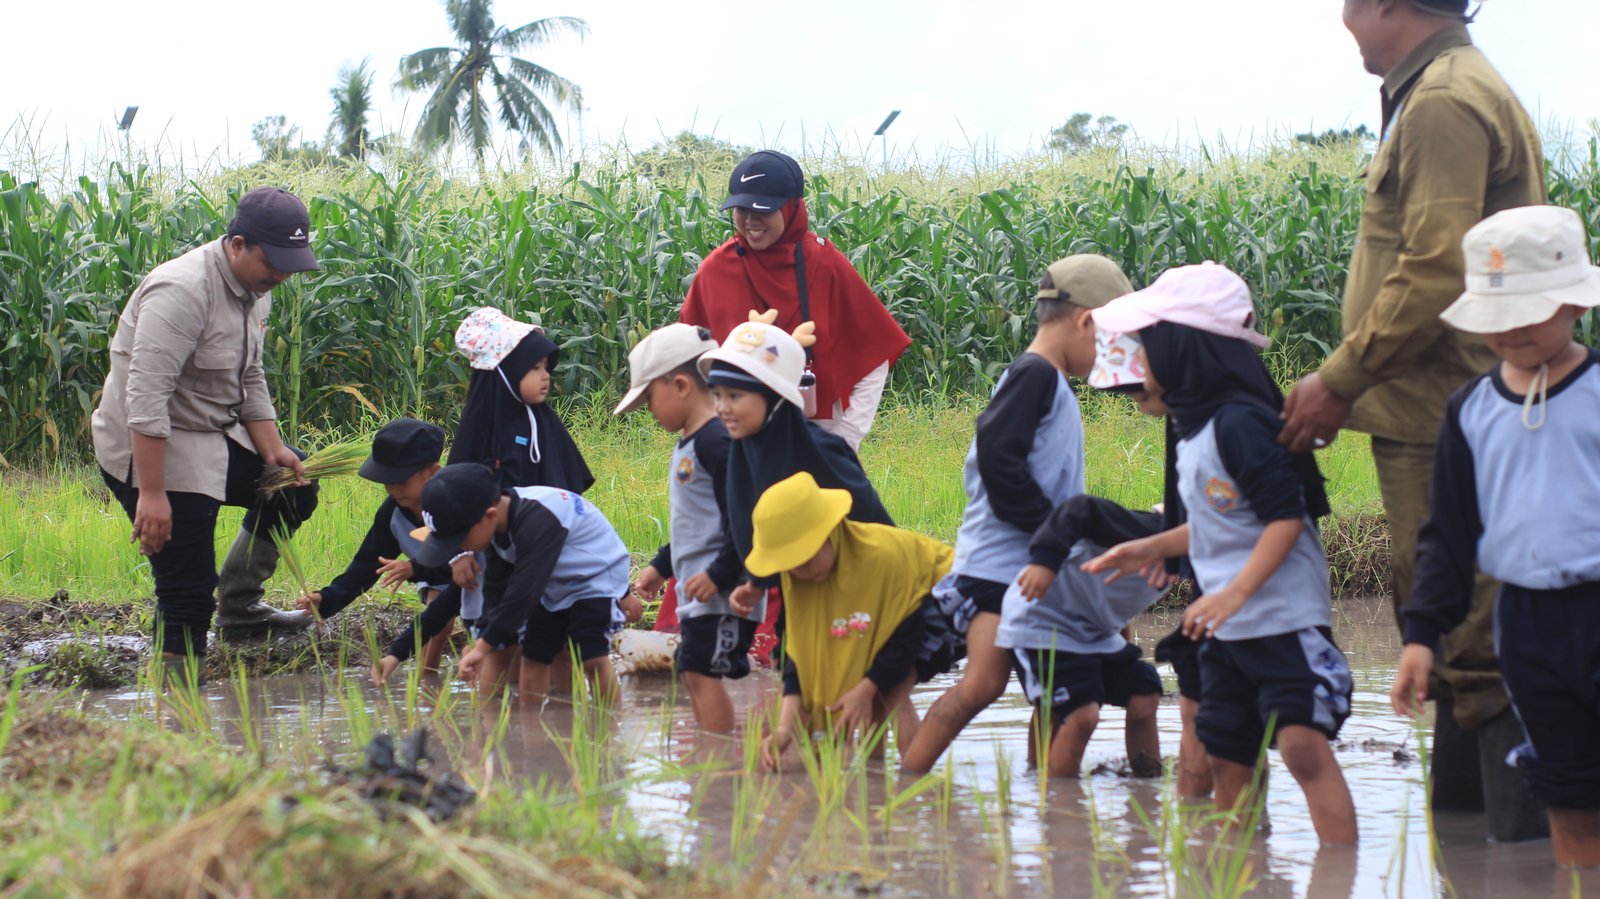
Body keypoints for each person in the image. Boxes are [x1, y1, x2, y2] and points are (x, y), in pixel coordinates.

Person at [1279, 0, 1544, 827]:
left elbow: (1436, 268)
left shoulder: (1442, 103)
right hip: (1436, 406)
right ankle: (1475, 847)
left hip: (1444, 411)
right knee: (1459, 625)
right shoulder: (1442, 88)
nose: (1343, 18)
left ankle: (1508, 846)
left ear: (1389, 5)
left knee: (1468, 634)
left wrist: (1337, 379)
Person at [1085, 264, 1356, 845]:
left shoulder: (1241, 424)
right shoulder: (1195, 431)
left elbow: (1286, 519)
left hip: (1282, 623)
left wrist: (1234, 591)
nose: (1136, 366)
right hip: (1226, 634)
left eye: (1145, 349)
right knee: (1229, 755)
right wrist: (1152, 546)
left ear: (1183, 350)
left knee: (1303, 747)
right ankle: (1241, 872)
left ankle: (1339, 873)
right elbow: (1217, 523)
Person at [1391, 206, 1600, 867]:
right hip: (1527, 624)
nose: (1510, 329)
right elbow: (1448, 533)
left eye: (1528, 311)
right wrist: (1422, 635)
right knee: (1564, 782)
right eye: (1497, 316)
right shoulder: (1471, 411)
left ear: (1573, 301)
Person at [900, 254, 1133, 774]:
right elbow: (1000, 465)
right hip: (1008, 568)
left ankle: (1035, 790)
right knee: (995, 688)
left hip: (1008, 564)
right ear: (1086, 320)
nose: (1110, 353)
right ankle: (916, 779)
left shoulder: (1042, 379)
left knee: (998, 687)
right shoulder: (1036, 377)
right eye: (1110, 337)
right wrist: (1058, 538)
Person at [92, 186, 321, 666]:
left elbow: (250, 375)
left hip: (213, 431)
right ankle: (176, 718)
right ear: (237, 245)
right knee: (187, 593)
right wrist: (152, 496)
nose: (281, 275)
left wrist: (273, 449)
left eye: (290, 263)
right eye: (273, 262)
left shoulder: (256, 289)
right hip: (155, 446)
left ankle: (239, 609)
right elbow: (146, 401)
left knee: (291, 487)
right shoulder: (181, 291)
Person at [680, 150, 910, 452]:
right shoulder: (715, 270)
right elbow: (687, 361)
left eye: (762, 210)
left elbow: (875, 355)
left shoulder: (824, 263)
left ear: (791, 208)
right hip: (736, 443)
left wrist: (845, 439)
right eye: (741, 209)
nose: (750, 221)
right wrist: (710, 434)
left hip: (817, 437)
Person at [615, 323, 768, 732]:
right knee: (691, 670)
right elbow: (700, 520)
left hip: (725, 591)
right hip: (701, 589)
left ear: (681, 385)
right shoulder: (694, 440)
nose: (650, 410)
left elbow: (747, 515)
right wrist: (662, 564)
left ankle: (718, 768)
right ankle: (711, 761)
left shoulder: (716, 442)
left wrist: (720, 574)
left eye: (649, 399)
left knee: (699, 671)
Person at [748, 473, 957, 771]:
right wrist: (784, 730)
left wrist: (866, 688)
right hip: (893, 621)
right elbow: (796, 659)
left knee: (891, 688)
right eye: (791, 566)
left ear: (831, 531)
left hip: (942, 599)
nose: (801, 573)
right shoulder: (796, 582)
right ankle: (875, 775)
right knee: (868, 688)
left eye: (806, 560)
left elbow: (903, 638)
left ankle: (916, 781)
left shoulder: (880, 559)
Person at [697, 312, 894, 621]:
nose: (722, 407)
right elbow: (752, 519)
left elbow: (873, 521)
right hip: (800, 590)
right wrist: (757, 582)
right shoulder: (743, 450)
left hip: (855, 588)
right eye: (717, 395)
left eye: (734, 396)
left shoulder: (821, 453)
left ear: (775, 397)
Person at [1087, 327, 1214, 800]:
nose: (1135, 397)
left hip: (1236, 600)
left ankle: (1172, 809)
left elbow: (1246, 523)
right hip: (1060, 622)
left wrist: (1156, 546)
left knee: (1167, 700)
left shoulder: (1221, 427)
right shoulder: (1188, 422)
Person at [408, 463, 631, 703]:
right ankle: (532, 732)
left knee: (592, 656)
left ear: (489, 516)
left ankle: (610, 731)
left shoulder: (537, 519)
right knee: (534, 655)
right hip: (551, 581)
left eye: (460, 538)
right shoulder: (497, 524)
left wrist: (483, 648)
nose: (460, 548)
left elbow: (522, 593)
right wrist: (483, 635)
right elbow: (496, 592)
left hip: (594, 577)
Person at [1005, 494, 1168, 779]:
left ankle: (1148, 790)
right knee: (1082, 714)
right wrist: (1044, 562)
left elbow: (1116, 595)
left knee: (1144, 692)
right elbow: (1080, 508)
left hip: (1095, 632)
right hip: (1044, 619)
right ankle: (1058, 806)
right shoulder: (1150, 531)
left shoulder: (1205, 564)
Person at [295, 418, 458, 677]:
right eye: (387, 480)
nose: (392, 488)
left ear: (434, 471)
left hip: (489, 576)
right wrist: (326, 598)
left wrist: (414, 569)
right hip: (440, 580)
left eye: (401, 480)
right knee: (437, 616)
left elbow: (473, 563)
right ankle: (427, 685)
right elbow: (367, 566)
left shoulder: (459, 505)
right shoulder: (393, 513)